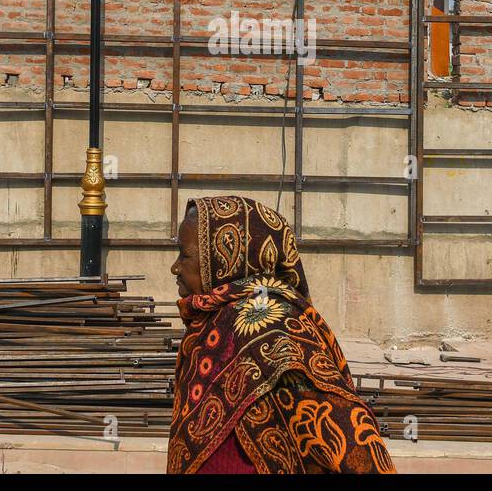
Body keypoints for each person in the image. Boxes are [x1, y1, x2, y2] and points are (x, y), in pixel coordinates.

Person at [167, 195, 396, 474]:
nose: (175, 267)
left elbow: (349, 438)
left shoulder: (273, 332)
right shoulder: (212, 323)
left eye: (185, 255)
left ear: (222, 258)